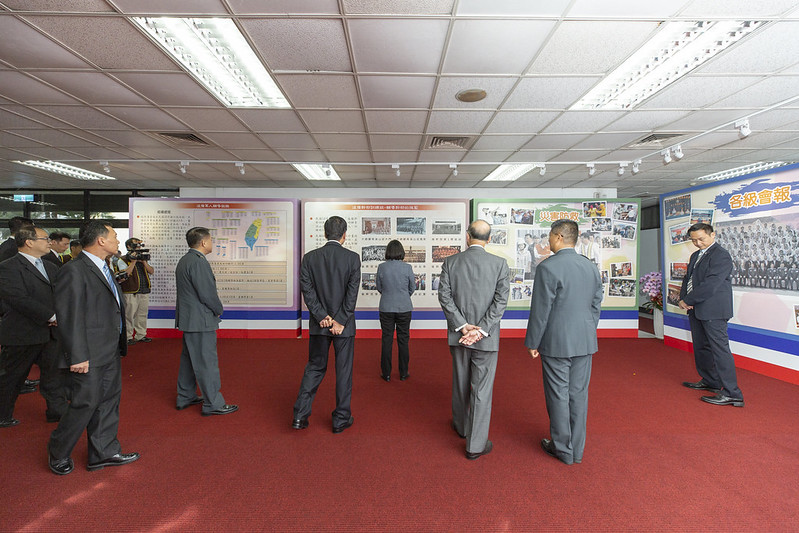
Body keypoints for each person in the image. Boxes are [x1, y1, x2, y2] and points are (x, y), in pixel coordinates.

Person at [47, 221, 139, 475]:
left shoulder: (105, 266)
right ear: (100, 240)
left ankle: (103, 452)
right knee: (84, 404)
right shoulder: (74, 270)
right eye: (114, 236)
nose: (118, 241)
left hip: (109, 349)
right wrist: (77, 356)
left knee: (109, 401)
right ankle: (58, 450)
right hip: (87, 353)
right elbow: (70, 316)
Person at [525, 219, 603, 466]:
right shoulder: (590, 266)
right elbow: (596, 304)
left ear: (558, 237)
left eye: (549, 236)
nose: (548, 240)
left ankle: (562, 449)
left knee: (558, 394)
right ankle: (576, 450)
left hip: (556, 341)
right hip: (584, 340)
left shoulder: (548, 267)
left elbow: (541, 310)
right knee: (578, 394)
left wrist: (533, 341)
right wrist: (587, 329)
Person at [438, 220, 509, 460]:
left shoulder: (451, 262)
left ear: (467, 236)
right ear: (489, 239)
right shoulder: (500, 264)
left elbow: (444, 297)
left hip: (459, 336)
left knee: (460, 382)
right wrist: (481, 330)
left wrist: (463, 326)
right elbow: (500, 302)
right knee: (482, 390)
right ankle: (475, 445)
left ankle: (461, 427)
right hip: (487, 339)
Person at [292, 216, 360, 433]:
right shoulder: (352, 258)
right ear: (344, 235)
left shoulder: (310, 258)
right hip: (344, 327)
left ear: (324, 233)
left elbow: (307, 290)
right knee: (343, 372)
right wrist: (340, 320)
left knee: (314, 368)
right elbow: (352, 294)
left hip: (319, 324)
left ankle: (299, 416)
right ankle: (341, 419)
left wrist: (322, 316)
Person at [0, 226, 67, 427]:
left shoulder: (51, 267)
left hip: (51, 333)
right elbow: (18, 299)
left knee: (54, 375)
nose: (49, 242)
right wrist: (50, 316)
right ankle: (3, 414)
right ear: (29, 242)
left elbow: (61, 294)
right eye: (44, 239)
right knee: (12, 377)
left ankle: (57, 411)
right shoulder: (8, 267)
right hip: (23, 333)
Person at [678, 223, 744, 407]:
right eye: (694, 240)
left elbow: (711, 284)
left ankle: (732, 393)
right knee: (701, 347)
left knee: (720, 350)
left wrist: (688, 300)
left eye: (701, 239)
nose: (698, 243)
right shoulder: (695, 255)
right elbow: (688, 279)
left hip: (714, 310)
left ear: (712, 235)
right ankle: (710, 381)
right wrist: (683, 298)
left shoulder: (721, 255)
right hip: (696, 308)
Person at [174, 227, 237, 416]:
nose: (212, 243)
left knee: (188, 361)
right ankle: (213, 403)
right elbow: (207, 294)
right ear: (203, 242)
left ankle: (185, 396)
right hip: (201, 320)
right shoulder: (199, 262)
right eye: (211, 240)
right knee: (206, 362)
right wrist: (219, 309)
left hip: (189, 320)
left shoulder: (185, 260)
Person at [376, 239, 415, 382]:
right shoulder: (407, 268)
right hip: (404, 307)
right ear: (401, 252)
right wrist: (403, 296)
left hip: (386, 307)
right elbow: (412, 288)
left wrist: (388, 295)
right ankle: (403, 373)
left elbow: (379, 287)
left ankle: (386, 373)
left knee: (386, 340)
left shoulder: (382, 267)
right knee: (403, 340)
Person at [116, 237, 154, 345]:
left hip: (144, 290)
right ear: (128, 246)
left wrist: (144, 262)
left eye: (139, 245)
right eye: (135, 245)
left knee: (142, 314)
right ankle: (127, 337)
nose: (138, 247)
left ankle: (140, 335)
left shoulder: (142, 258)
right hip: (130, 291)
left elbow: (151, 271)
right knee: (128, 315)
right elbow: (125, 274)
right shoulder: (123, 259)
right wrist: (133, 262)